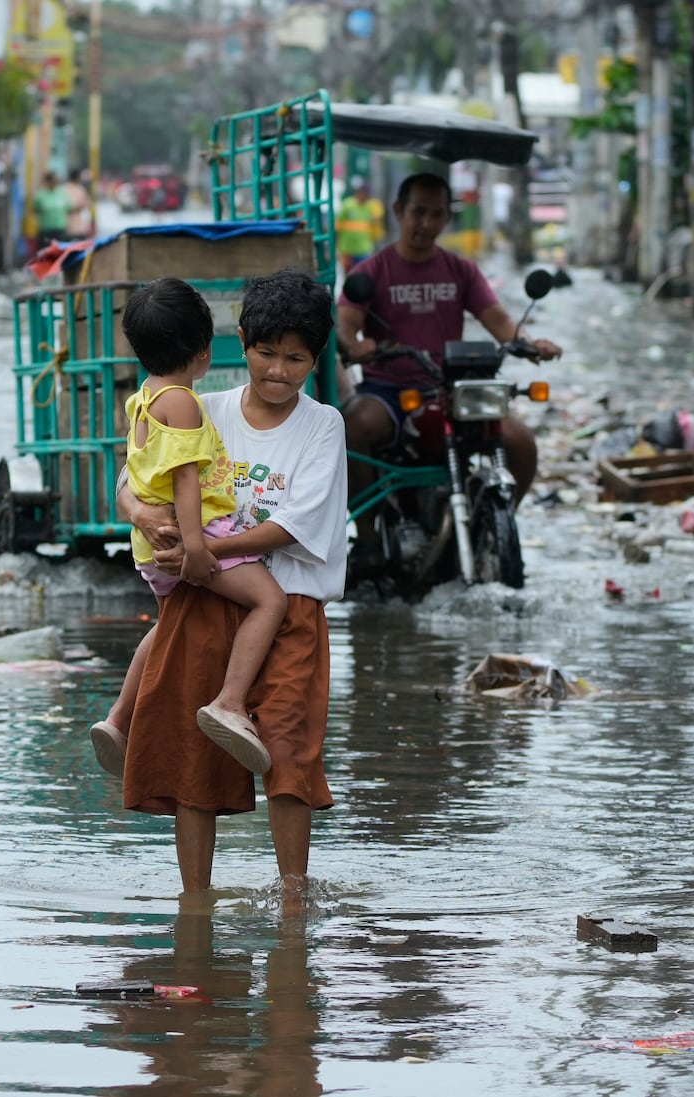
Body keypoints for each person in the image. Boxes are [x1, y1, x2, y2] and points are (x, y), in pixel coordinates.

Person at [105, 269, 343, 900]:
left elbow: (293, 526)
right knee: (195, 758)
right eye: (266, 354)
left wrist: (202, 548)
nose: (278, 371)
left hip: (290, 605)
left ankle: (292, 899)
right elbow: (130, 479)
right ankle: (195, 901)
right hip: (204, 599)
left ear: (316, 359)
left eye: (296, 359)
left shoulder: (323, 426)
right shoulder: (200, 407)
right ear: (240, 344)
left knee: (288, 753)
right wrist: (144, 517)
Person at [90, 277, 289, 777]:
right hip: (193, 537)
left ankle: (118, 719)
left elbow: (138, 471)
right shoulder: (182, 402)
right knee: (270, 601)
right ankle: (230, 701)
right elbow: (184, 481)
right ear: (203, 350)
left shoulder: (143, 397)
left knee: (166, 628)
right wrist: (199, 552)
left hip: (149, 546)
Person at [336, 172, 562, 571]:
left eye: (436, 214)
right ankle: (367, 540)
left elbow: (498, 319)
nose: (426, 223)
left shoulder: (461, 269)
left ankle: (496, 525)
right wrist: (356, 346)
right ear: (398, 211)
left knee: (522, 442)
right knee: (353, 426)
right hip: (391, 391)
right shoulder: (373, 271)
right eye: (418, 212)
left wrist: (529, 343)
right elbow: (344, 323)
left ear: (447, 217)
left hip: (451, 389)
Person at [335, 177, 380, 269]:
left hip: (364, 248)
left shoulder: (369, 207)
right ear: (359, 192)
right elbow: (337, 225)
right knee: (349, 273)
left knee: (364, 272)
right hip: (347, 249)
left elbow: (374, 226)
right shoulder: (348, 205)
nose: (367, 197)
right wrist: (338, 247)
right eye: (365, 193)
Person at [31, 170, 69, 250]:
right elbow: (35, 209)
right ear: (48, 181)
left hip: (60, 229)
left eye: (56, 181)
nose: (54, 183)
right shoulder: (41, 194)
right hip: (46, 230)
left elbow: (68, 207)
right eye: (52, 181)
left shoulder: (61, 193)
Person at [62, 168, 93, 238]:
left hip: (80, 224)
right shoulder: (64, 189)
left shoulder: (80, 188)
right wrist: (75, 206)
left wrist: (82, 205)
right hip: (67, 223)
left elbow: (87, 203)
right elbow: (64, 205)